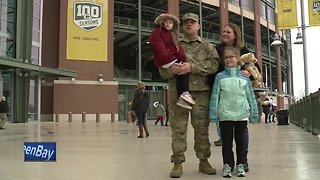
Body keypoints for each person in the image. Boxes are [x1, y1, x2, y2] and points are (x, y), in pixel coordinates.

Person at [159, 13, 220, 178]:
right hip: (178, 93)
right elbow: (161, 66)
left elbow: (214, 64)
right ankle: (177, 163)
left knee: (201, 129)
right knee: (178, 129)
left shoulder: (207, 46)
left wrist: (191, 67)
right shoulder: (173, 45)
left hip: (200, 93)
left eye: (192, 22)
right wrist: (170, 70)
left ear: (198, 26)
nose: (189, 25)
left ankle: (203, 160)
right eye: (186, 22)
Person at [209, 23, 261, 172]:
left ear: (235, 34)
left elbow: (256, 73)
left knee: (241, 137)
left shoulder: (244, 51)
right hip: (221, 95)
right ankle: (228, 163)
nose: (224, 33)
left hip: (239, 99)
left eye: (228, 32)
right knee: (225, 137)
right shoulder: (217, 50)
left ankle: (242, 162)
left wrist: (248, 73)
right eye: (223, 31)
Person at [149, 13, 195, 110]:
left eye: (170, 22)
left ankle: (182, 96)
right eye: (165, 22)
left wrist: (182, 58)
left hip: (170, 58)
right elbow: (159, 47)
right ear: (161, 23)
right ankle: (185, 93)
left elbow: (177, 48)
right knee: (183, 70)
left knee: (180, 73)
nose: (168, 24)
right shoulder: (157, 32)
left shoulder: (172, 35)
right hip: (165, 60)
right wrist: (169, 58)